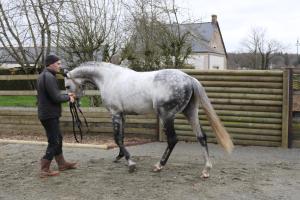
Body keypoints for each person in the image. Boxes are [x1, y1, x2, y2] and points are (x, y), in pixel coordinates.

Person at [37, 54, 77, 178]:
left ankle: (62, 164)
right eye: (58, 63)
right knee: (54, 141)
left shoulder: (46, 76)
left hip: (48, 113)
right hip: (49, 114)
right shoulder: (48, 77)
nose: (60, 66)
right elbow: (55, 97)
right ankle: (44, 168)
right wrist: (68, 97)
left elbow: (52, 94)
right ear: (51, 64)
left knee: (57, 138)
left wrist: (66, 95)